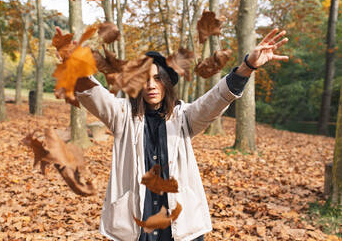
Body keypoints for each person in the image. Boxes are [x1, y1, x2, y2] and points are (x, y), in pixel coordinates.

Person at [74, 28, 288, 241]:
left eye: (158, 79)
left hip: (180, 226)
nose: (151, 85)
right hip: (136, 226)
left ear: (166, 83)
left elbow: (214, 100)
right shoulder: (122, 116)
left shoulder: (183, 117)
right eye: (144, 80)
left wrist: (246, 67)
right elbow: (93, 95)